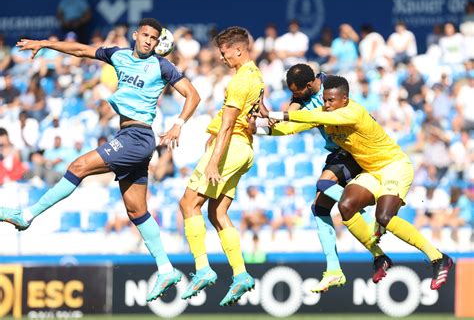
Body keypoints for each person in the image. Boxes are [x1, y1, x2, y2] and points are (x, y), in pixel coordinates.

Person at [0, 18, 201, 301]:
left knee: (77, 166)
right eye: (145, 35)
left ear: (158, 43)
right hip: (130, 135)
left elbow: (193, 94)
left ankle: (27, 215)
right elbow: (82, 50)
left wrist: (179, 123)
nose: (148, 41)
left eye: (153, 39)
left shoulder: (161, 65)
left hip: (138, 137)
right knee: (136, 211)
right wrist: (46, 44)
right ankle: (166, 269)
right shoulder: (118, 55)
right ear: (136, 35)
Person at [257, 75, 453, 290]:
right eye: (325, 100)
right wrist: (255, 128)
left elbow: (309, 117)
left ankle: (438, 258)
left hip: (394, 167)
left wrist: (273, 113)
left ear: (345, 99)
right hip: (371, 171)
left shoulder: (354, 112)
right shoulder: (325, 113)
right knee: (346, 206)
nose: (327, 105)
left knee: (384, 217)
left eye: (332, 100)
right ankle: (379, 257)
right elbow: (291, 128)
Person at [251, 64, 390, 293]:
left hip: (354, 147)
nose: (294, 96)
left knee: (325, 184)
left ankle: (370, 217)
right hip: (338, 152)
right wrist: (259, 126)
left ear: (308, 85)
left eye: (296, 92)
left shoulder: (332, 88)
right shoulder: (304, 97)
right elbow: (291, 119)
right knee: (320, 208)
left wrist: (278, 116)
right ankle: (344, 267)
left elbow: (318, 115)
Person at [178, 26, 263, 306]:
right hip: (245, 149)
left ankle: (202, 268)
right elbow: (260, 109)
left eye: (225, 52)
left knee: (188, 204)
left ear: (238, 50)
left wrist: (214, 160)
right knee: (218, 211)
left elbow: (227, 126)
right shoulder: (256, 75)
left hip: (230, 147)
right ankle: (241, 275)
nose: (222, 58)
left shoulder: (239, 81)